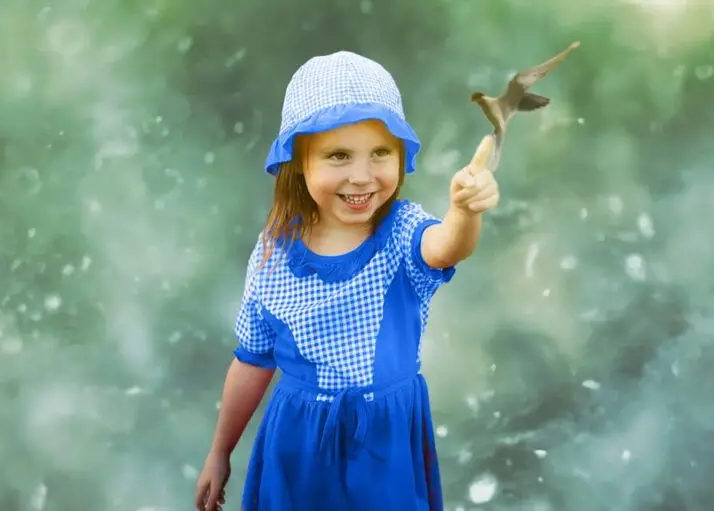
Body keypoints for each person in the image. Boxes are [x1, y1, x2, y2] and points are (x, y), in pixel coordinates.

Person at [195, 50, 499, 511]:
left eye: (380, 153)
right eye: (339, 155)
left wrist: (464, 211)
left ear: (400, 155)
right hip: (295, 445)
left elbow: (447, 247)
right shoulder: (275, 250)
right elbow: (253, 360)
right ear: (300, 161)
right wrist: (220, 451)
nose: (362, 176)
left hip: (380, 444)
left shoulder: (400, 232)